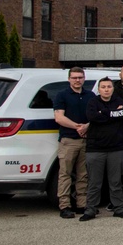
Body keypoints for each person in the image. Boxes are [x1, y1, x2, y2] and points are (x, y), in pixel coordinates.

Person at [79, 77, 123, 221]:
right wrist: (112, 113)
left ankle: (119, 208)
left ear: (113, 88)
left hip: (116, 148)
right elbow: (92, 116)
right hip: (95, 148)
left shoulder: (120, 102)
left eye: (109, 86)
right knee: (94, 182)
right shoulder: (93, 102)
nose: (106, 89)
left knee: (116, 182)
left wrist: (104, 112)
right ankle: (90, 210)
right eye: (103, 87)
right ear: (99, 89)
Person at [52, 67, 93, 218]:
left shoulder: (90, 95)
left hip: (86, 141)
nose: (77, 80)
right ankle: (65, 206)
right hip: (68, 140)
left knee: (83, 175)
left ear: (84, 78)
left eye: (80, 77)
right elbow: (59, 118)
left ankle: (81, 204)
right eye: (74, 77)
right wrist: (78, 127)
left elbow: (94, 115)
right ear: (69, 79)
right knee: (65, 174)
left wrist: (87, 126)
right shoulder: (61, 95)